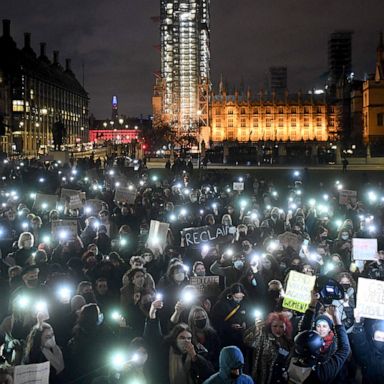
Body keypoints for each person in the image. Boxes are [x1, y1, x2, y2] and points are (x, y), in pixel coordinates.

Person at [288, 305, 350, 384]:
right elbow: (344, 349)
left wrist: (312, 305)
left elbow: (304, 332)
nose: (321, 329)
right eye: (318, 326)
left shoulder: (291, 360)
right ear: (319, 349)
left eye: (324, 326)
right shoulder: (321, 373)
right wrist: (336, 317)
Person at [244, 311, 293, 383]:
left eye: (281, 327)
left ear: (286, 327)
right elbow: (248, 341)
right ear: (270, 326)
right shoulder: (263, 337)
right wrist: (256, 330)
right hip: (260, 379)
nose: (278, 329)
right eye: (275, 326)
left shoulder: (288, 343)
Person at [350, 308, 384, 383]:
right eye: (378, 337)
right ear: (373, 338)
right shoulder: (368, 353)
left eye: (383, 338)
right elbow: (361, 345)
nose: (381, 340)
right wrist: (358, 323)